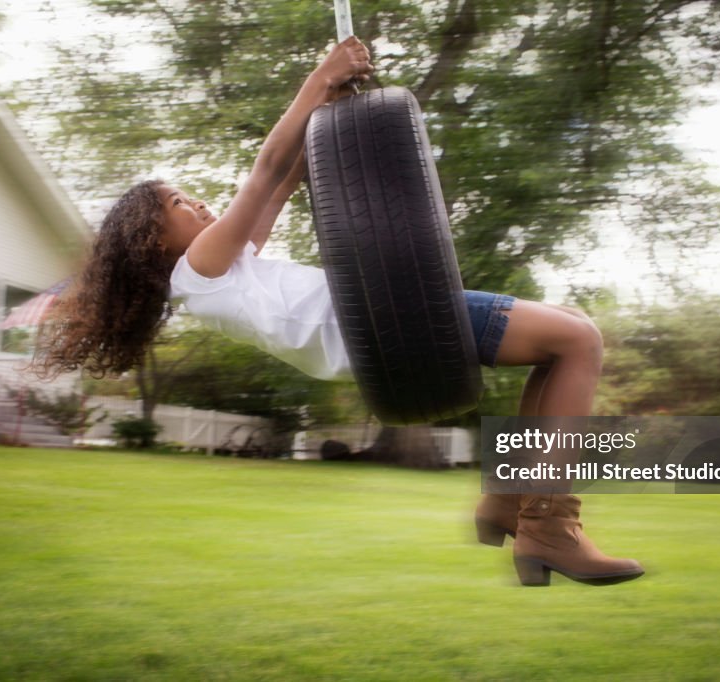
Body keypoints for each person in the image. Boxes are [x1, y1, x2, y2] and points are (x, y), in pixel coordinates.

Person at [34, 37, 643, 587]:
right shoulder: (197, 269)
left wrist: (331, 113)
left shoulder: (219, 271)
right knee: (579, 340)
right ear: (151, 238)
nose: (194, 199)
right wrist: (321, 76)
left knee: (560, 334)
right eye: (176, 201)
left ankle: (511, 502)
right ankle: (550, 527)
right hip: (386, 321)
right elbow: (263, 171)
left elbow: (285, 180)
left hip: (374, 330)